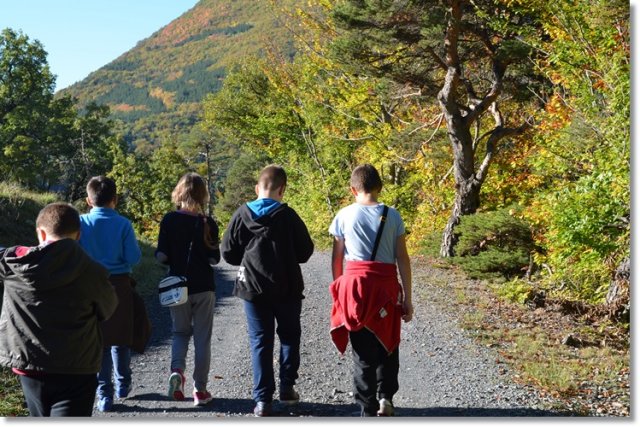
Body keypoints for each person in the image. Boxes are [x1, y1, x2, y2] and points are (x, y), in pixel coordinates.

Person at [0, 202, 118, 417]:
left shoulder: (13, 263)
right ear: (78, 235)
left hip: (30, 365)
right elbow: (107, 310)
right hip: (76, 366)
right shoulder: (92, 271)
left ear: (40, 233)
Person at [221, 164, 314, 417]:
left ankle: (262, 400)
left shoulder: (242, 214)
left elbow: (228, 252)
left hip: (253, 288)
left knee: (260, 341)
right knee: (289, 336)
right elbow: (305, 252)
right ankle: (287, 387)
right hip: (287, 288)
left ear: (256, 188)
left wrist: (246, 257)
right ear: (282, 190)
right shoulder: (289, 215)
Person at [328, 164, 414, 417]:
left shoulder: (344, 215)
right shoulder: (393, 215)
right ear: (380, 187)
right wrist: (408, 298)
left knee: (362, 348)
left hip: (355, 287)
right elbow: (402, 258)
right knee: (388, 342)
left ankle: (367, 407)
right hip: (386, 287)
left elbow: (337, 258)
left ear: (352, 189)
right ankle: (386, 396)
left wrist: (339, 290)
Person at [156, 172, 220, 407]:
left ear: (179, 193)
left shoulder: (169, 220)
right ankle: (200, 390)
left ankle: (177, 372)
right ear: (203, 195)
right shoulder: (208, 223)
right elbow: (214, 259)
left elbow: (162, 256)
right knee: (202, 338)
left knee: (180, 332)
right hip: (204, 287)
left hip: (177, 288)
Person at [79, 175, 142, 412]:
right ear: (115, 199)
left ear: (88, 200)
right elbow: (133, 258)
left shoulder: (81, 222)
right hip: (120, 285)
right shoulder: (123, 224)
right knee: (121, 337)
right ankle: (123, 384)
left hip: (91, 287)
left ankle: (104, 395)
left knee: (100, 342)